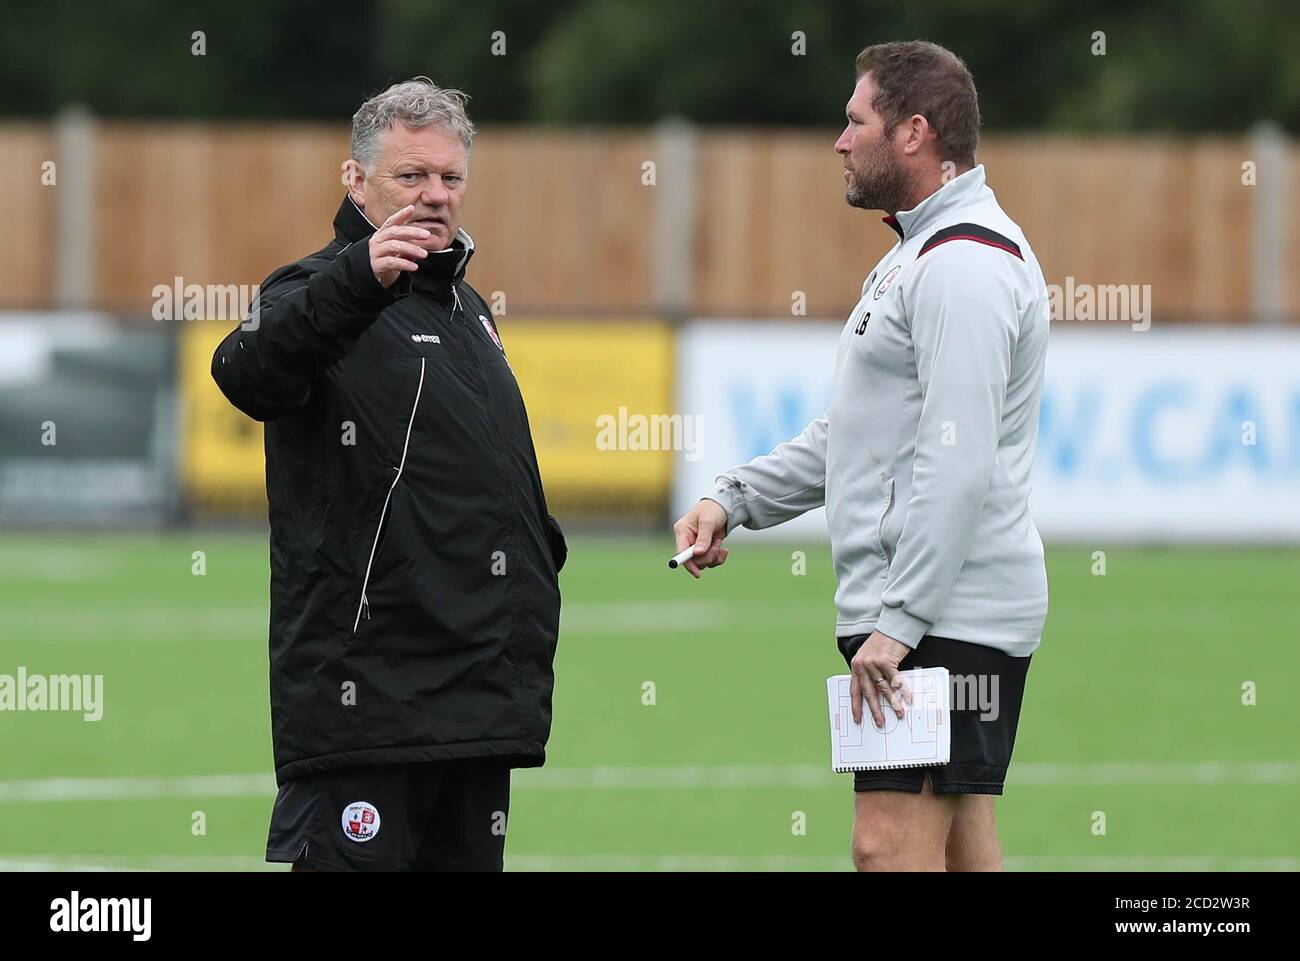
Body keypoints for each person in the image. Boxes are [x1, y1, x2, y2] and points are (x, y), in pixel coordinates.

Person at [672, 41, 1050, 872]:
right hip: (939, 616)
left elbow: (959, 459)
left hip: (942, 619)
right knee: (964, 853)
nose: (840, 140)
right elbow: (856, 438)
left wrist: (902, 619)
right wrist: (734, 498)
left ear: (913, 133)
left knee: (885, 848)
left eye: (855, 120)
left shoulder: (962, 265)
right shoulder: (922, 253)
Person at [211, 77, 566, 872]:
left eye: (450, 177)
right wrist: (357, 279)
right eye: (412, 176)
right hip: (367, 707)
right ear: (356, 180)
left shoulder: (468, 310)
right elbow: (245, 371)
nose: (435, 195)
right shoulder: (314, 289)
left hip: (476, 705)